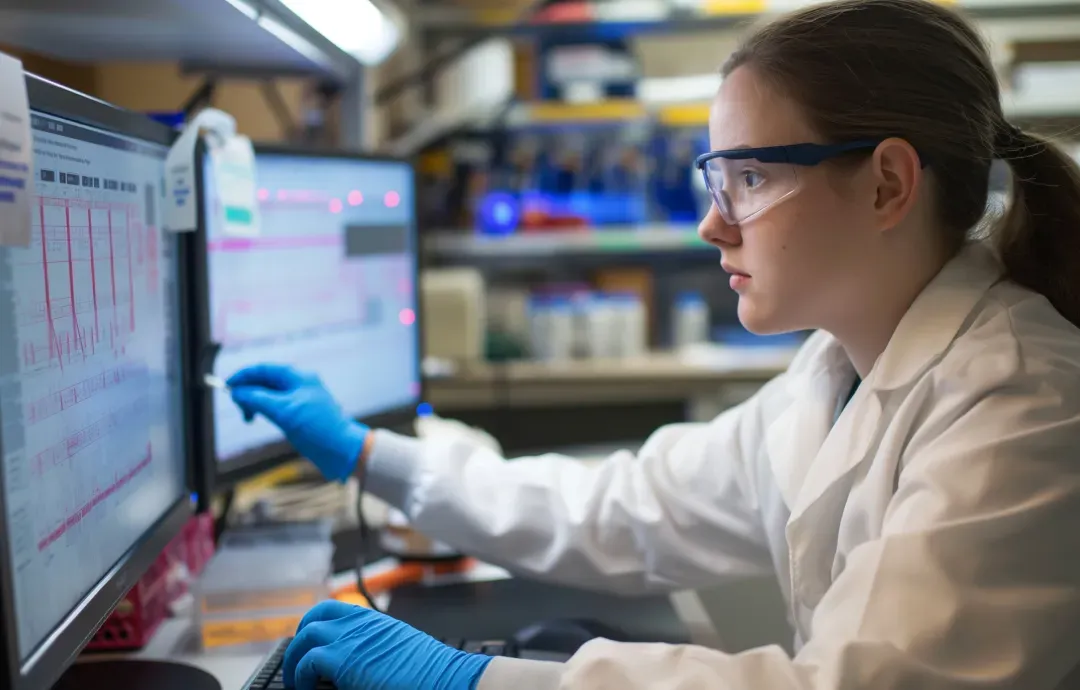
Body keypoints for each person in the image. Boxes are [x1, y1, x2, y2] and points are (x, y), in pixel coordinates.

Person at [227, 0, 1080, 688]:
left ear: (888, 184)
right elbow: (623, 509)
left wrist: (474, 684)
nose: (714, 223)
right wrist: (374, 457)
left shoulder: (1022, 408)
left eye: (750, 177)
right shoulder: (831, 373)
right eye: (716, 178)